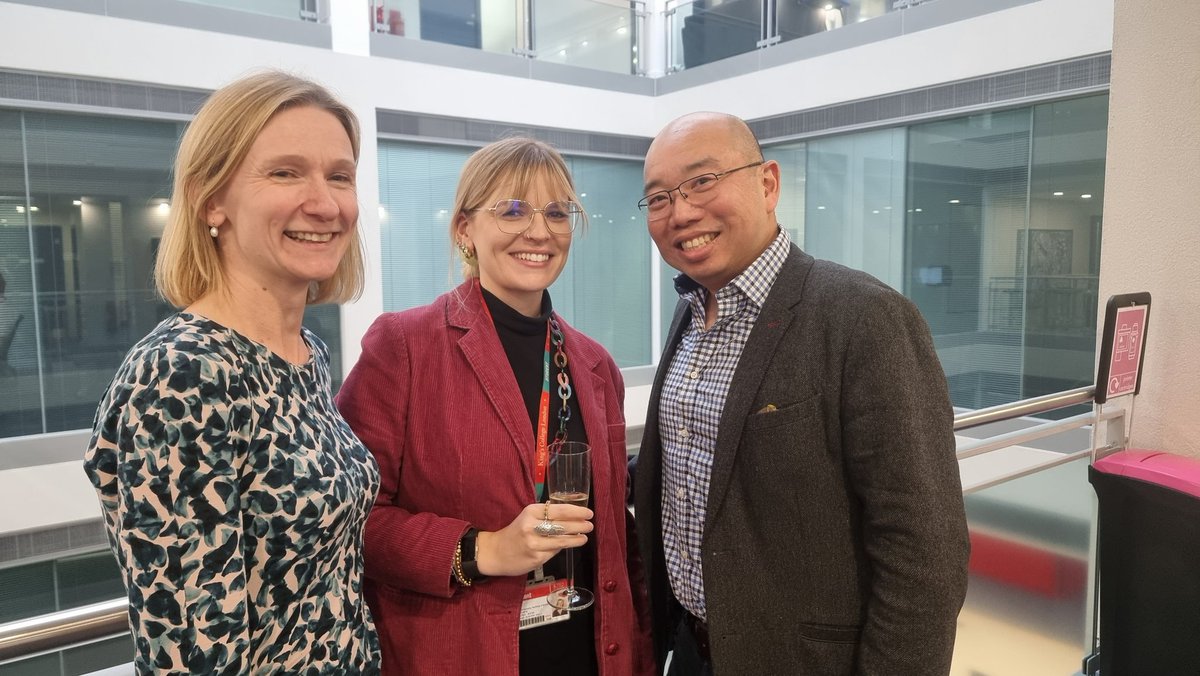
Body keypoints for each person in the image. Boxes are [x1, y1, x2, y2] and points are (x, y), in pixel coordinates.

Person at [633, 112, 970, 675]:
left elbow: (924, 554)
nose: (682, 211)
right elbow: (704, 473)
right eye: (660, 197)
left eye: (702, 181)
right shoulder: (691, 313)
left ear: (768, 184)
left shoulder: (863, 317)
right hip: (691, 650)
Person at [82, 71, 381, 674]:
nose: (325, 203)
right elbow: (194, 654)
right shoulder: (181, 376)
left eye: (340, 176)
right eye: (285, 172)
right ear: (210, 198)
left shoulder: (304, 354)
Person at [336, 137, 653, 676]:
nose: (539, 230)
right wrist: (479, 550)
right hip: (462, 652)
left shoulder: (595, 365)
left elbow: (615, 539)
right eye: (511, 210)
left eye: (557, 212)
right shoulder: (405, 346)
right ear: (465, 230)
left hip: (589, 650)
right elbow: (350, 521)